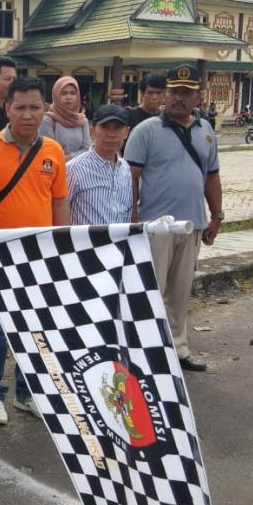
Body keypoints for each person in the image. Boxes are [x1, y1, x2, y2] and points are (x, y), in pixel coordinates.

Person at [0, 78, 69, 425]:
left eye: (35, 107)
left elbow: (59, 203)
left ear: (45, 110)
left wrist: (62, 250)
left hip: (38, 256)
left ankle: (28, 393)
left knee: (36, 329)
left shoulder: (53, 151)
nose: (28, 115)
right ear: (7, 109)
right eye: (20, 107)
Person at [124, 65, 223, 373]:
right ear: (165, 95)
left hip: (192, 224)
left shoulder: (206, 131)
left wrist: (216, 216)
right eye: (174, 92)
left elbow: (212, 177)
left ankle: (178, 350)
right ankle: (144, 355)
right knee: (151, 291)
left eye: (186, 93)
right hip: (156, 227)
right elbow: (131, 178)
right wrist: (134, 219)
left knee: (180, 292)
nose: (179, 98)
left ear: (198, 97)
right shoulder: (146, 131)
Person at [66, 103, 134, 225]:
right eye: (105, 127)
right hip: (85, 238)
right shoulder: (74, 169)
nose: (111, 134)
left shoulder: (125, 168)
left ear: (126, 132)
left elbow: (127, 212)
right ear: (92, 131)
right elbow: (59, 211)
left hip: (120, 237)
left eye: (117, 127)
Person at [39, 75, 90, 160]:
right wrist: (75, 156)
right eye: (64, 93)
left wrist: (68, 157)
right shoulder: (48, 120)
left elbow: (87, 150)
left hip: (79, 167)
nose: (68, 97)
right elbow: (48, 151)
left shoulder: (82, 120)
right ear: (56, 95)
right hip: (55, 166)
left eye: (73, 93)